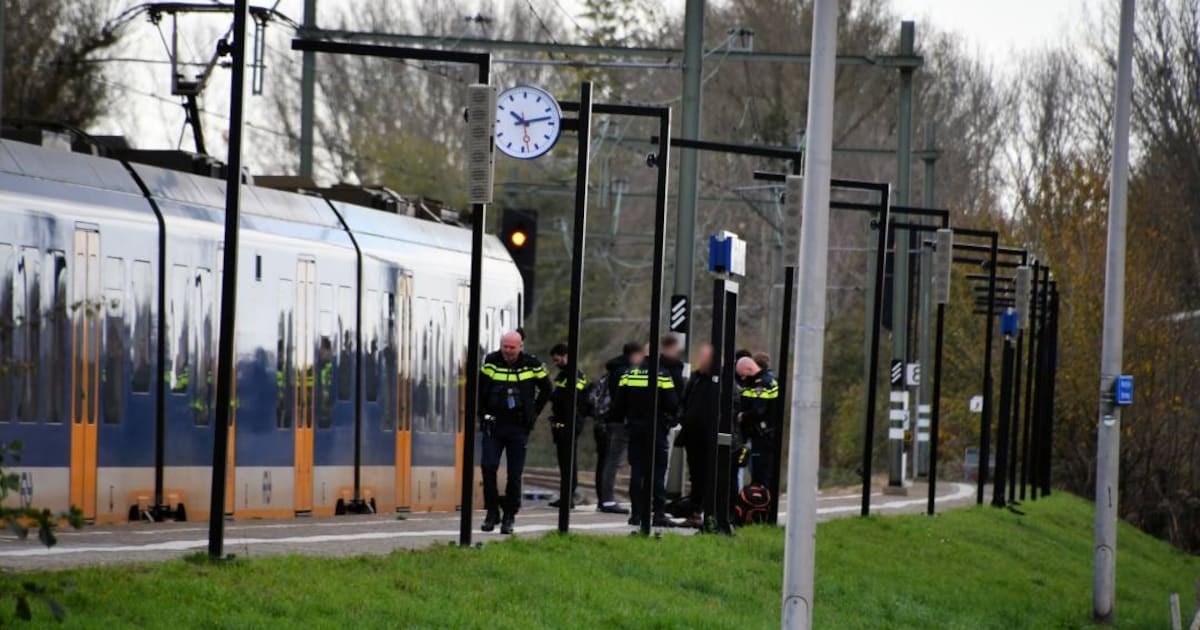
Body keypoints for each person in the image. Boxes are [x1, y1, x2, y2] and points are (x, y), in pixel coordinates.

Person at [478, 330, 552, 534]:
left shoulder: (532, 363)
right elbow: (480, 388)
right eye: (505, 346)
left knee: (515, 473)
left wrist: (533, 413)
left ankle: (509, 515)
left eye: (512, 347)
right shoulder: (492, 361)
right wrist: (481, 414)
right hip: (494, 424)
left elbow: (547, 389)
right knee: (488, 467)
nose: (507, 351)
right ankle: (492, 512)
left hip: (518, 426)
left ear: (520, 347)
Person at [612, 350, 680, 528]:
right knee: (657, 471)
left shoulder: (628, 374)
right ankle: (658, 513)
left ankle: (636, 514)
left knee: (637, 471)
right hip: (656, 430)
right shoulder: (662, 375)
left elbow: (618, 403)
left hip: (635, 430)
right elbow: (673, 404)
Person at [595, 342, 644, 514]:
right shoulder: (623, 372)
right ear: (634, 355)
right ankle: (608, 500)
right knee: (613, 460)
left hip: (613, 420)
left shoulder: (615, 369)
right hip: (621, 421)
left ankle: (605, 499)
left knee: (611, 459)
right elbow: (623, 398)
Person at [679, 343, 718, 528]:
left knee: (710, 475)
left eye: (705, 356)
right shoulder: (695, 378)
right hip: (692, 436)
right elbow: (685, 401)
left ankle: (709, 514)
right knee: (696, 476)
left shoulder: (719, 380)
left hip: (710, 437)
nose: (702, 359)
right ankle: (695, 513)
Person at [548, 343, 588, 508]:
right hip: (564, 421)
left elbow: (567, 398)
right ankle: (566, 495)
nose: (556, 363)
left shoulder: (573, 375)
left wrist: (554, 395)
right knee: (564, 460)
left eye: (557, 360)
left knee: (568, 460)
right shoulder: (566, 374)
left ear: (565, 355)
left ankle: (568, 496)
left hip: (569, 422)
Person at [735, 356, 781, 494]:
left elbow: (758, 410)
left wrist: (742, 415)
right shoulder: (758, 381)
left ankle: (763, 507)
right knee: (758, 473)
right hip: (757, 434)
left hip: (762, 435)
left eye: (743, 375)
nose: (742, 379)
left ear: (749, 369)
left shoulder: (763, 384)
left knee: (761, 474)